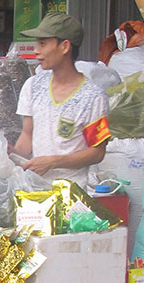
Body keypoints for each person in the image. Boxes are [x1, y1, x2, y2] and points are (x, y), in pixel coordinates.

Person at [12, 13, 111, 187]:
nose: (36, 50)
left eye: (43, 43)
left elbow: (97, 152)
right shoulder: (33, 86)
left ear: (65, 46)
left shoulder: (93, 97)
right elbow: (27, 136)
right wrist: (11, 152)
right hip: (34, 190)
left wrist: (54, 162)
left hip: (70, 194)